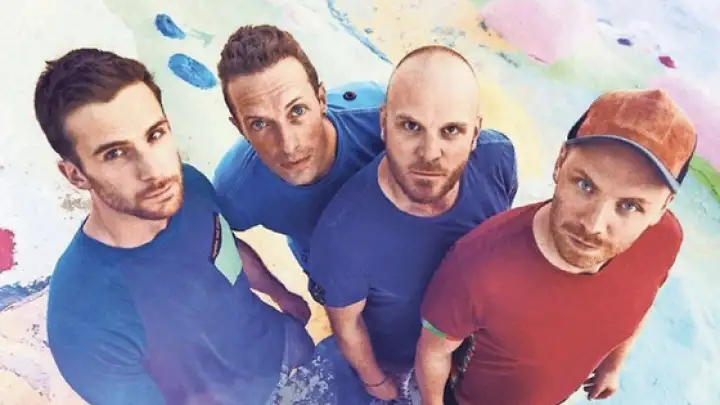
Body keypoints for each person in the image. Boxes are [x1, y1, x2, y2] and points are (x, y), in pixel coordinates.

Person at [38, 48, 314, 405]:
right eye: (115, 154)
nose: (155, 171)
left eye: (155, 135)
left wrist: (280, 294)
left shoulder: (189, 186)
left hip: (283, 347)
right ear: (75, 174)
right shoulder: (83, 320)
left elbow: (224, 247)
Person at [416, 89, 696, 405]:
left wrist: (613, 364)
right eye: (585, 185)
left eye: (629, 206)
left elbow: (645, 297)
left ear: (663, 208)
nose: (593, 225)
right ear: (560, 161)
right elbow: (434, 351)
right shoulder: (476, 267)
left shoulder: (664, 238)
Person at [307, 45, 518, 404]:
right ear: (383, 124)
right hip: (397, 360)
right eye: (410, 126)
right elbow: (348, 325)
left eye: (451, 130)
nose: (429, 153)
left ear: (475, 134)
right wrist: (375, 381)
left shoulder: (497, 159)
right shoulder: (342, 236)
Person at [212, 25, 386, 282]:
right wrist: (280, 294)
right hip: (327, 270)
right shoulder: (235, 191)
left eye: (297, 111)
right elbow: (214, 241)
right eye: (259, 124)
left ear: (321, 99)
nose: (288, 145)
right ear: (240, 129)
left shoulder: (383, 119)